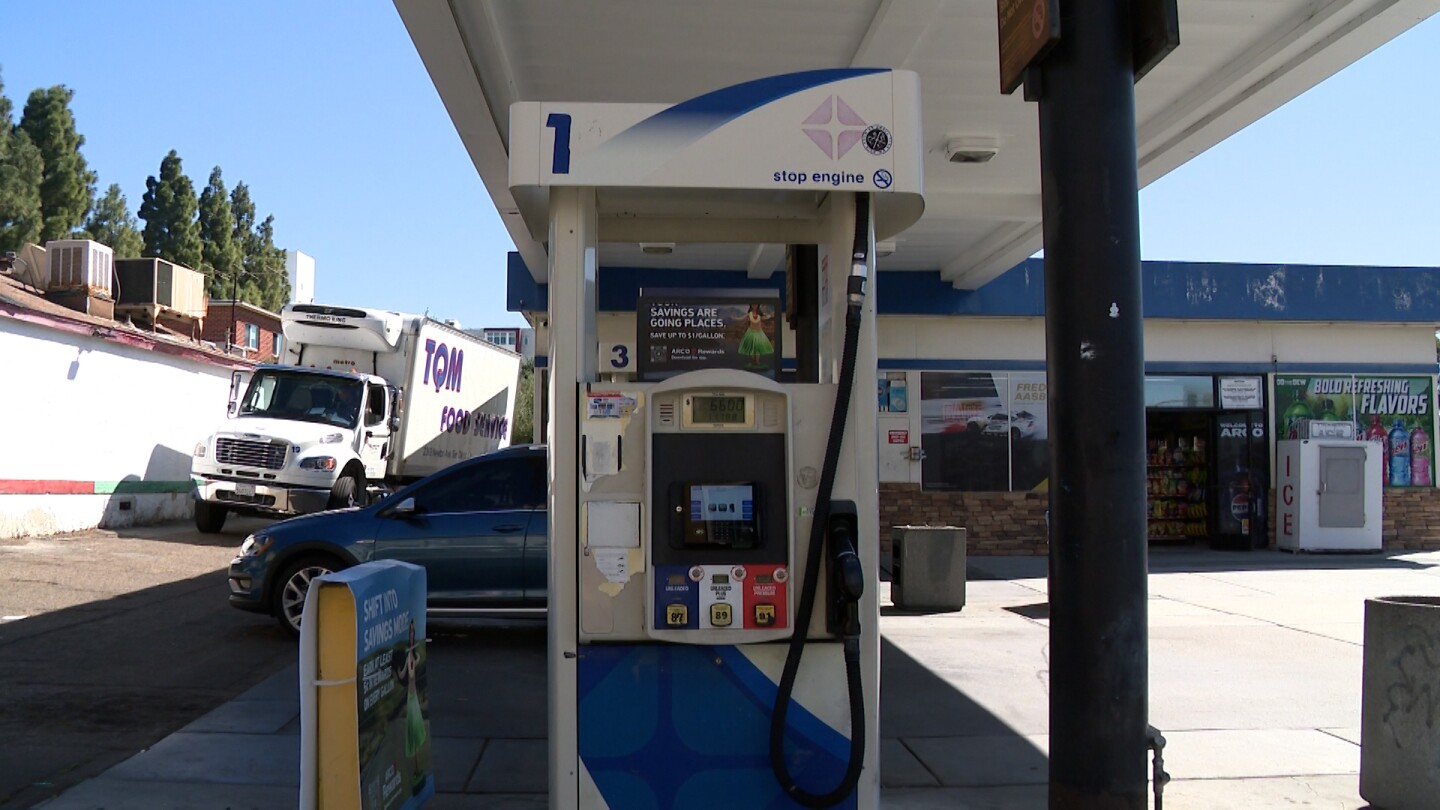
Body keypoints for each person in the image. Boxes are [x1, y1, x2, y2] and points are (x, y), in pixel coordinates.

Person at [737, 303, 775, 369]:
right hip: (751, 332)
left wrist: (770, 315)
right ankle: (754, 362)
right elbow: (741, 318)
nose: (754, 306)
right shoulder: (749, 314)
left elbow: (766, 318)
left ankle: (757, 362)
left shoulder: (760, 315)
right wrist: (734, 317)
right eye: (753, 305)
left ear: (758, 306)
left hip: (759, 332)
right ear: (751, 306)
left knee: (758, 348)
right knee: (752, 348)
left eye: (756, 305)